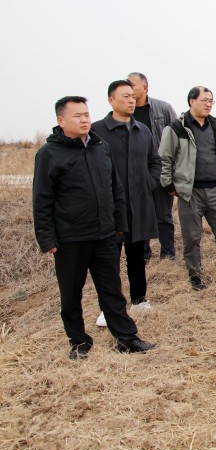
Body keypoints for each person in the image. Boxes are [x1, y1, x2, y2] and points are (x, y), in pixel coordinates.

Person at [33, 96, 157, 360]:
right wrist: (47, 238)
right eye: (77, 116)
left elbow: (116, 189)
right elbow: (42, 199)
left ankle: (126, 338)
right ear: (61, 120)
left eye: (86, 114)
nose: (84, 120)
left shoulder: (100, 147)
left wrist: (119, 225)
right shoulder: (49, 154)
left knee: (112, 290)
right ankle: (79, 341)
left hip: (104, 234)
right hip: (70, 238)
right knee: (71, 294)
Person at [92, 80, 160, 326]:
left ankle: (139, 299)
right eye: (125, 96)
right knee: (108, 259)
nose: (131, 100)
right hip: (109, 207)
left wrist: (150, 182)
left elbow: (155, 161)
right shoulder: (97, 131)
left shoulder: (143, 130)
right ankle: (108, 308)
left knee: (137, 255)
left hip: (139, 203)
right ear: (111, 100)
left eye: (133, 96)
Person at [158, 86, 216, 291]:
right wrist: (169, 185)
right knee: (192, 238)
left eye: (211, 101)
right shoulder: (176, 128)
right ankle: (195, 275)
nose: (208, 104)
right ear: (191, 101)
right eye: (204, 100)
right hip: (190, 192)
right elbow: (164, 158)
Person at [128, 72, 178, 259]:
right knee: (138, 214)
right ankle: (143, 253)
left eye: (132, 84)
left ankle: (168, 254)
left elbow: (177, 139)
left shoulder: (163, 108)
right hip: (135, 172)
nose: (129, 88)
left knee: (163, 215)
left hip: (161, 169)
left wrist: (174, 173)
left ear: (145, 88)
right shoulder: (126, 111)